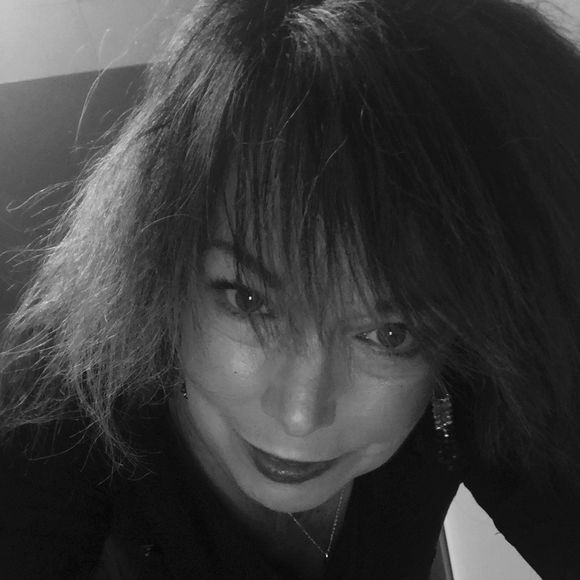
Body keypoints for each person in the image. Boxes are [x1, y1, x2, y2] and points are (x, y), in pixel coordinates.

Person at [1, 0, 580, 578]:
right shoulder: (61, 395)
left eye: (390, 334)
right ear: (162, 256)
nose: (301, 415)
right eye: (248, 300)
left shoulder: (476, 374)